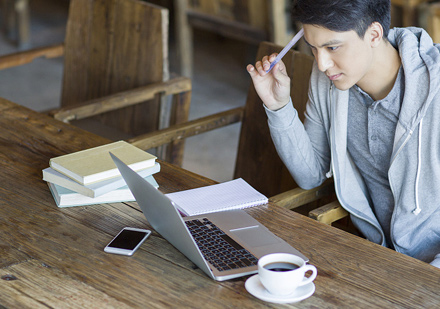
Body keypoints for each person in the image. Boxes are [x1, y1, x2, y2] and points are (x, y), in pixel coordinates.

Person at [247, 0, 440, 268]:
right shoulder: (327, 80)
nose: (323, 63)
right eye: (313, 48)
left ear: (373, 34)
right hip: (374, 255)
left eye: (332, 47)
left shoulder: (436, 89)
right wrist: (278, 106)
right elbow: (310, 175)